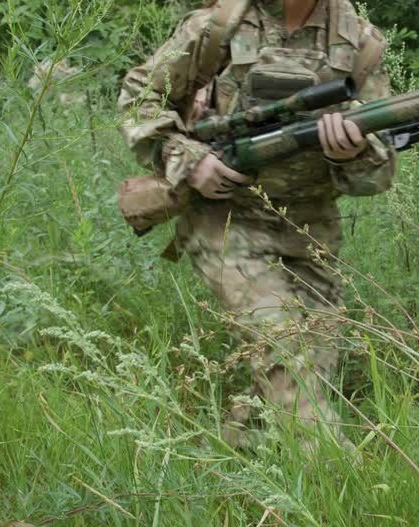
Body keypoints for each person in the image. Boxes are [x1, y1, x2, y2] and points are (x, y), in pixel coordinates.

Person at [117, 0, 396, 450]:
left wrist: (355, 151)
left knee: (305, 371)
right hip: (225, 221)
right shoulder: (218, 26)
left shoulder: (359, 42)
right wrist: (188, 158)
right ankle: (336, 477)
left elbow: (378, 175)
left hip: (310, 232)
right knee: (285, 351)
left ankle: (236, 453)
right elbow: (139, 97)